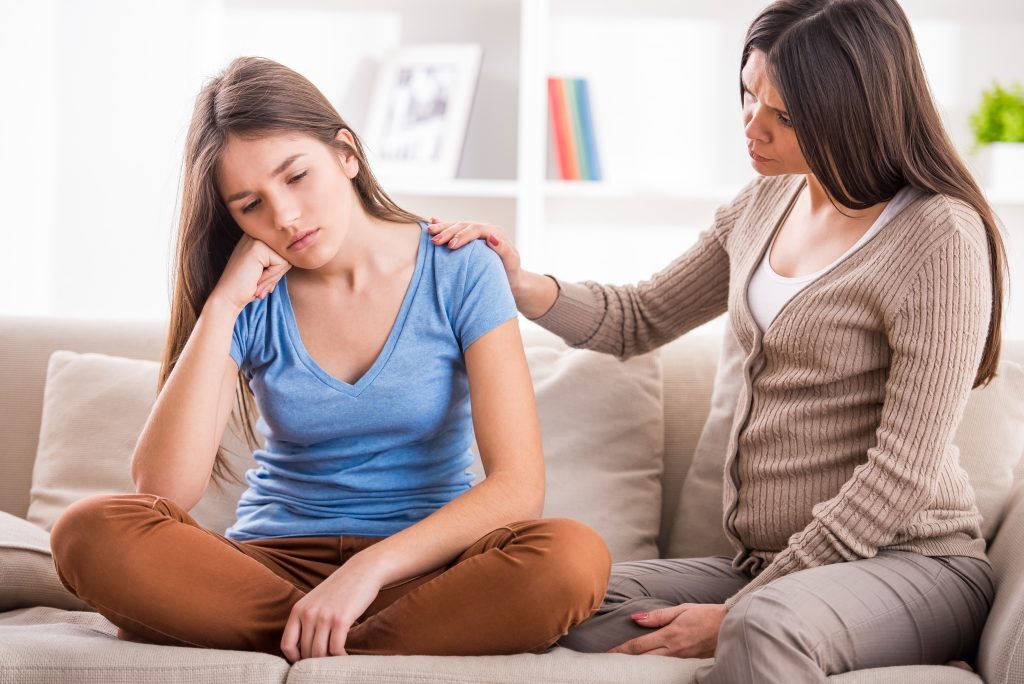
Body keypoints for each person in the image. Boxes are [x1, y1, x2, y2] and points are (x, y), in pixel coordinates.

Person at [428, 0, 1009, 681]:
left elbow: (901, 472)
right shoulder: (764, 205)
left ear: (855, 113)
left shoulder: (938, 236)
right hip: (769, 566)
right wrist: (522, 284)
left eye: (784, 116)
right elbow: (638, 315)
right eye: (746, 93)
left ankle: (870, 627)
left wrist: (743, 608)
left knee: (765, 627)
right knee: (564, 601)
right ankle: (854, 634)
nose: (751, 125)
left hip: (915, 562)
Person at [48, 56, 611, 663]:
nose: (284, 218)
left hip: (424, 570)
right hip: (268, 566)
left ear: (347, 153)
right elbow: (162, 491)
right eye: (249, 205)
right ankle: (343, 641)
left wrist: (365, 572)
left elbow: (518, 488)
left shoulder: (460, 267)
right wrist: (221, 306)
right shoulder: (251, 294)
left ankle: (304, 640)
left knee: (573, 558)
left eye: (295, 177)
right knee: (88, 531)